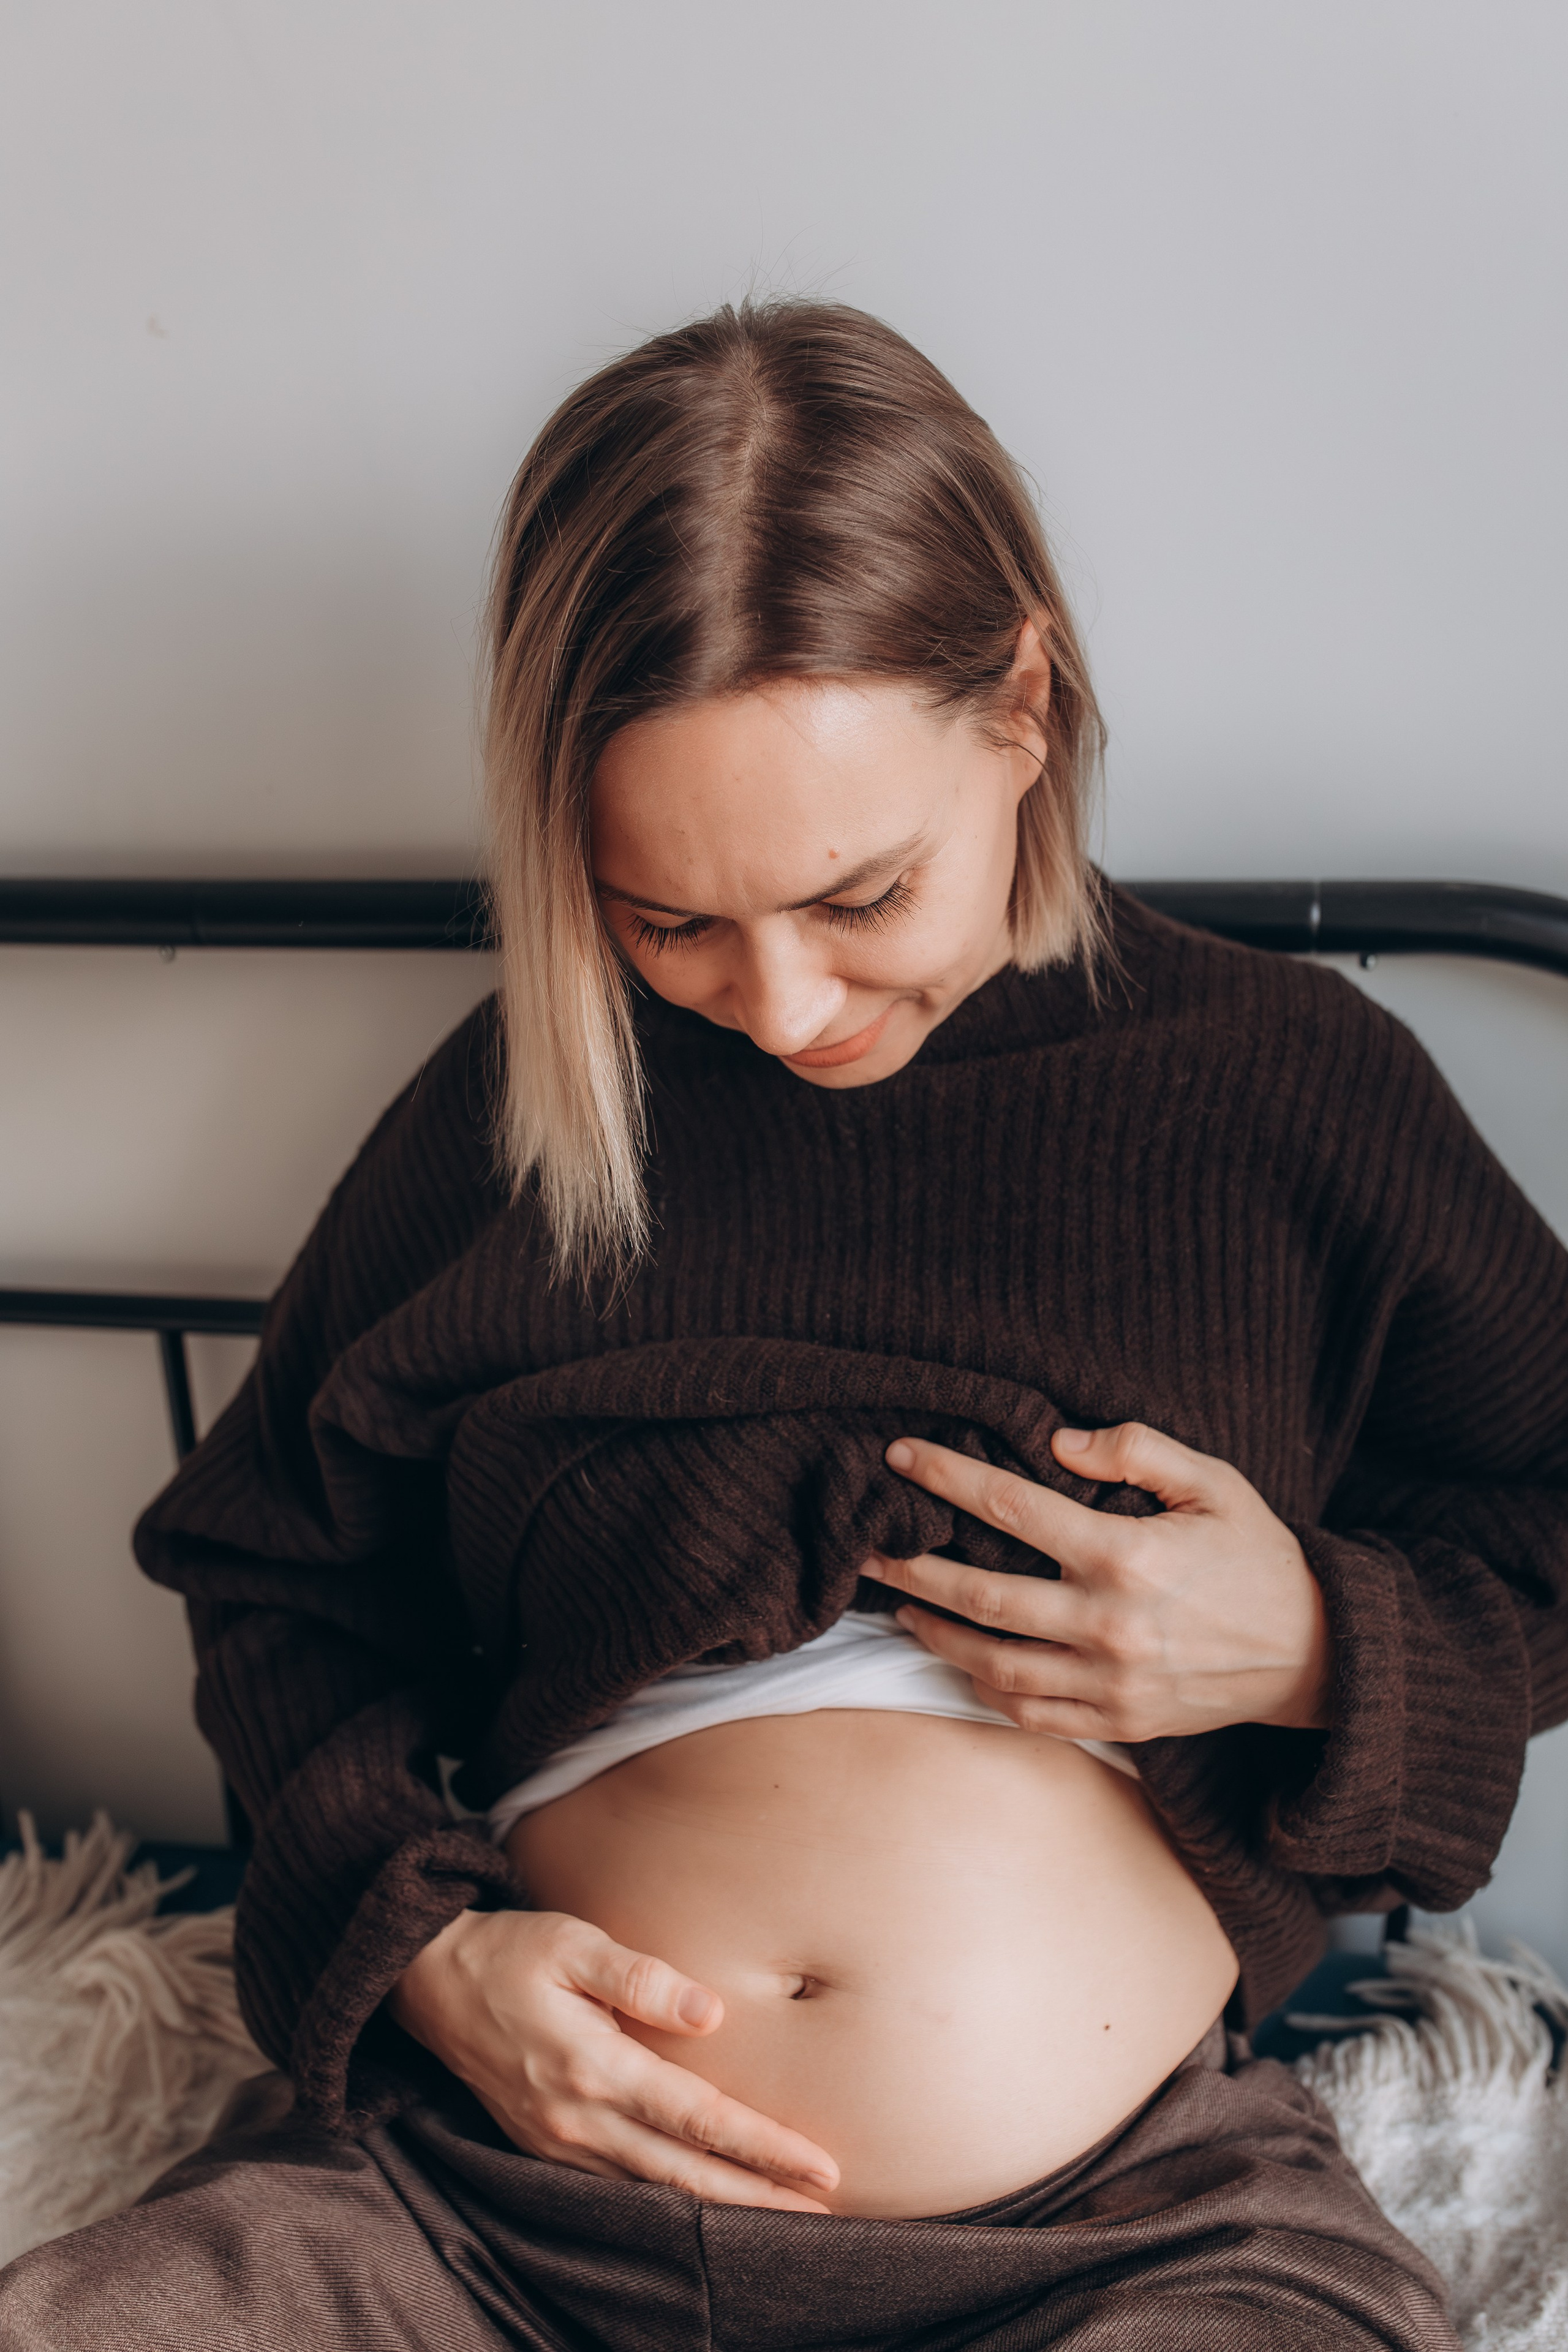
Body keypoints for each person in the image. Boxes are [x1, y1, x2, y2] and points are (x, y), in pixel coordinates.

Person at [3, 298, 1564, 2349]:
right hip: (482, 2197)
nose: (786, 1008)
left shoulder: (1288, 1089)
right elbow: (270, 1572)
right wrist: (423, 1954)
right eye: (668, 922)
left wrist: (1317, 1645)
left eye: (857, 897)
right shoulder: (520, 1121)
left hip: (1120, 2223)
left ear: (1022, 706)